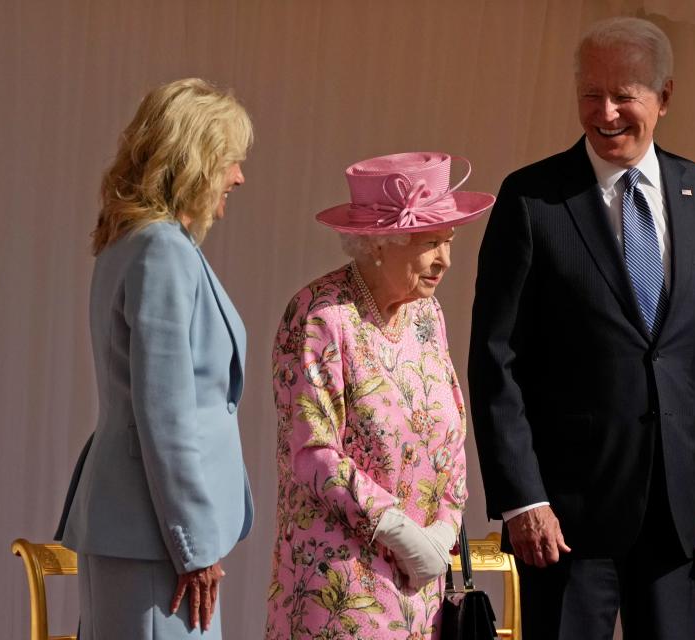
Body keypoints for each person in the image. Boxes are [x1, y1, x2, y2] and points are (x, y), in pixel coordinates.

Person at [468, 17, 695, 640]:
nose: (605, 113)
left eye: (624, 95)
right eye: (590, 95)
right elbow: (497, 361)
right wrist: (524, 497)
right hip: (565, 520)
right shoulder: (532, 200)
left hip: (681, 516)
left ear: (664, 97)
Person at [56, 78, 255, 639]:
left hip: (146, 532)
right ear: (193, 161)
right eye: (230, 161)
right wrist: (193, 546)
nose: (238, 177)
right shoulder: (161, 250)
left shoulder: (135, 243)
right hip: (157, 540)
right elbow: (165, 415)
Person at [266, 152, 494, 639]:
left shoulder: (427, 314)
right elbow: (312, 453)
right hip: (343, 588)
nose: (445, 260)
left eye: (449, 241)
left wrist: (444, 526)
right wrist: (397, 531)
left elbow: (452, 422)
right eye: (430, 242)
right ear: (378, 244)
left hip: (424, 588)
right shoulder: (320, 317)